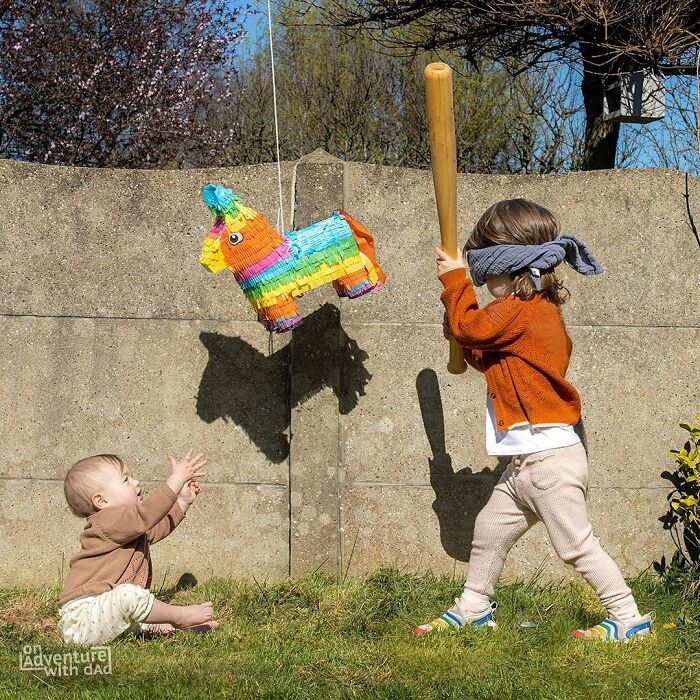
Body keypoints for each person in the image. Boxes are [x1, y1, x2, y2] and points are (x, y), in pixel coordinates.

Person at [415, 198, 654, 642]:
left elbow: (474, 329)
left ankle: (628, 618)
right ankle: (474, 606)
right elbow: (490, 358)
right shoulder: (530, 312)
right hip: (525, 465)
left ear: (509, 265)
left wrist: (454, 283)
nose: (483, 282)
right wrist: (461, 332)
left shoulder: (522, 310)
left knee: (576, 546)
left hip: (548, 462)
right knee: (489, 530)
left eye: (486, 272)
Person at [58, 449, 220, 646]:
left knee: (132, 603)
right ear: (101, 501)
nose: (136, 483)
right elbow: (147, 516)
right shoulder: (107, 522)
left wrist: (182, 502)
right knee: (128, 595)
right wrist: (176, 480)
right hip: (83, 619)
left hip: (105, 615)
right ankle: (179, 616)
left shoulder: (126, 527)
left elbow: (154, 529)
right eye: (126, 480)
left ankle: (167, 626)